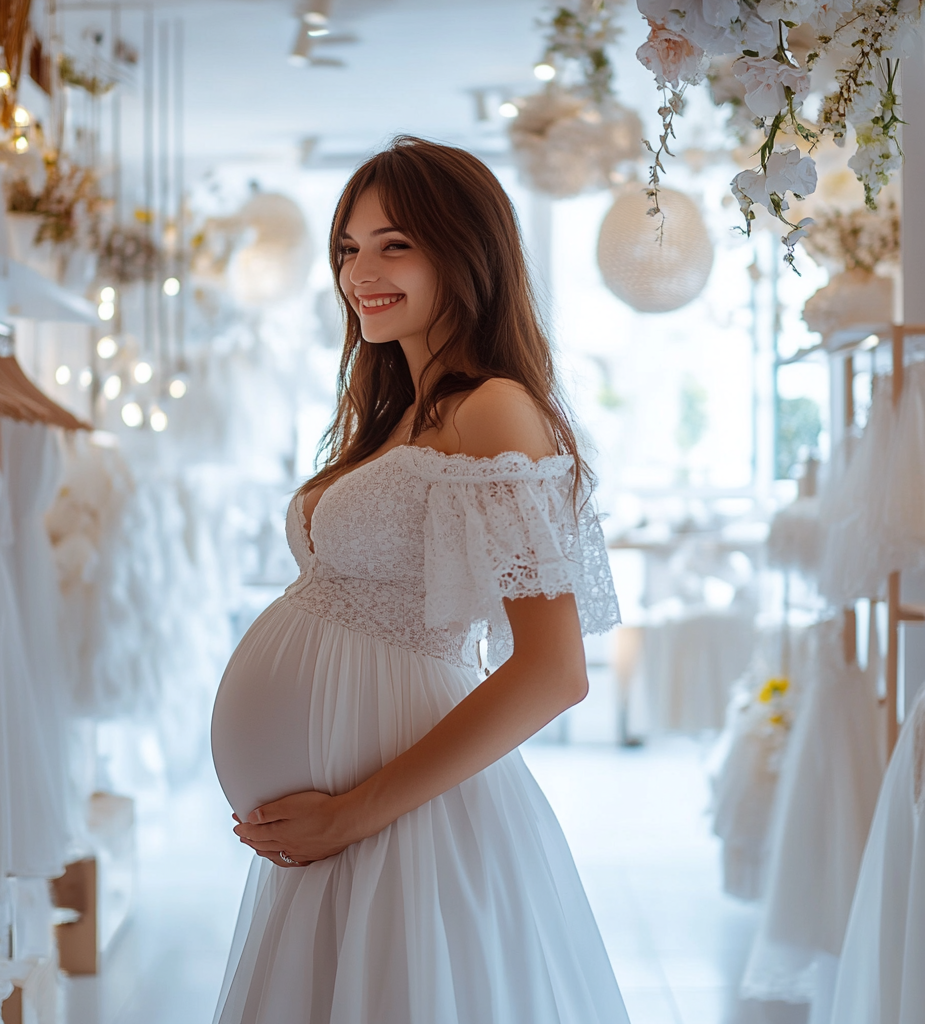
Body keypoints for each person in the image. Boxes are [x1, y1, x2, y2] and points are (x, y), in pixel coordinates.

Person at [210, 136, 628, 1024]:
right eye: (348, 249)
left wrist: (353, 814)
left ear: (465, 250)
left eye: (394, 243)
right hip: (347, 834)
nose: (362, 270)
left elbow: (554, 670)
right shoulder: (400, 414)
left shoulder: (494, 409)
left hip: (398, 820)